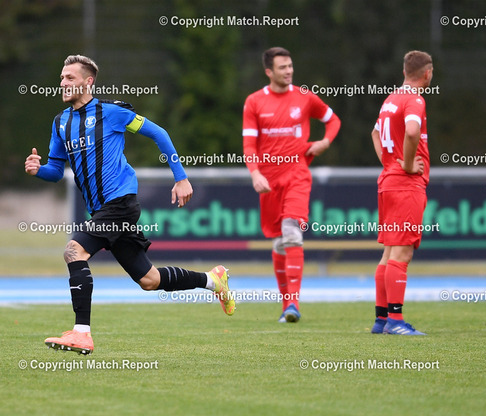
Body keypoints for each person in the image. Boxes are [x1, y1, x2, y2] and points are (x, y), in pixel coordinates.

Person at [25, 55, 235, 355]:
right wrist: (38, 170)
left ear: (88, 82)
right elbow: (56, 171)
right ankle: (213, 281)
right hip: (103, 210)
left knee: (74, 250)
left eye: (70, 77)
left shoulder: (112, 113)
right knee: (150, 280)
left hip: (120, 202)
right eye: (61, 77)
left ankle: (82, 333)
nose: (63, 83)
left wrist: (181, 178)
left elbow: (159, 133)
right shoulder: (61, 123)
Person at [242, 47, 341, 323]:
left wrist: (325, 142)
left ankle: (293, 303)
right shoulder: (254, 102)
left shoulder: (305, 97)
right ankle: (287, 304)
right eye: (282, 67)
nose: (289, 71)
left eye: (290, 66)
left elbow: (333, 120)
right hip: (269, 182)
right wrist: (255, 174)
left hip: (298, 174)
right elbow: (249, 145)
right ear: (269, 72)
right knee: (279, 243)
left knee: (292, 233)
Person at [370, 50, 433, 336]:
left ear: (404, 71)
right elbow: (411, 132)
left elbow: (374, 134)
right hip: (406, 185)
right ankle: (395, 320)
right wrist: (406, 165)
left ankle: (381, 320)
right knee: (402, 252)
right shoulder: (414, 100)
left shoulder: (390, 99)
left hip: (388, 181)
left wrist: (389, 164)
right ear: (427, 73)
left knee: (388, 253)